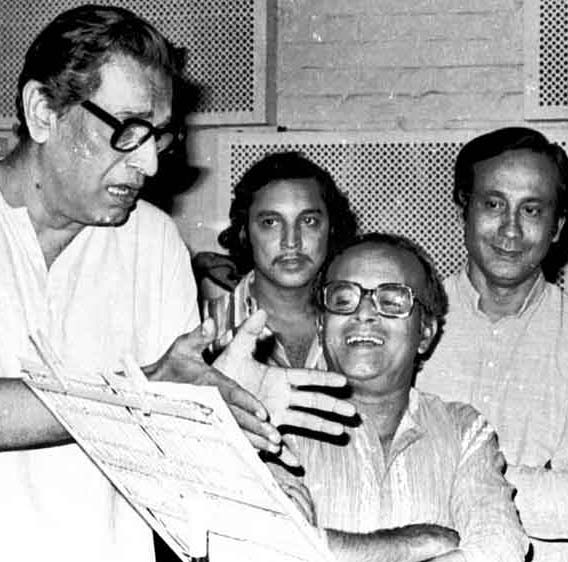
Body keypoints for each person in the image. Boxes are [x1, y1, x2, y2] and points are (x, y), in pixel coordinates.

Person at [0, 6, 353, 562]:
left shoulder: (152, 238)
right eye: (128, 130)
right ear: (43, 112)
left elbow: (171, 452)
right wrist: (148, 390)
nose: (149, 163)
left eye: (159, 137)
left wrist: (220, 429)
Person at [273, 233, 528, 562]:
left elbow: (499, 547)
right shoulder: (277, 426)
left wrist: (326, 545)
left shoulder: (463, 430)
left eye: (392, 301)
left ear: (425, 333)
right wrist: (416, 542)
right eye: (343, 298)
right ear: (322, 326)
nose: (364, 313)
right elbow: (267, 546)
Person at [415, 126, 568, 561]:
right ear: (464, 209)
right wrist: (531, 481)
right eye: (494, 204)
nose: (510, 230)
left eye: (532, 210)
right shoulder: (404, 322)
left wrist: (444, 473)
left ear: (557, 227)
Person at [205, 150, 357, 370]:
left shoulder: (359, 323)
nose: (291, 242)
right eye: (271, 222)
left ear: (331, 228)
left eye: (309, 221)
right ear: (244, 232)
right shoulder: (202, 327)